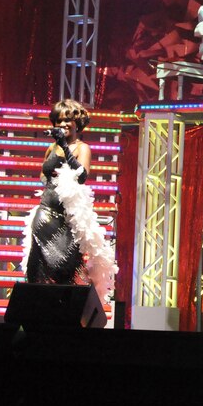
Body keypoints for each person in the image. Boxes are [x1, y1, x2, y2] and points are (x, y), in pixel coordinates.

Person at [23, 99, 117, 302]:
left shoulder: (82, 148)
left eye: (67, 120)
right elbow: (43, 175)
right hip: (45, 215)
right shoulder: (51, 148)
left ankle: (61, 312)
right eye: (58, 121)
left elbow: (82, 176)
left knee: (64, 269)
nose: (63, 124)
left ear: (77, 123)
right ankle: (38, 310)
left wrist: (65, 147)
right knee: (37, 271)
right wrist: (53, 179)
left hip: (67, 220)